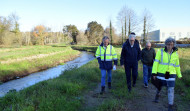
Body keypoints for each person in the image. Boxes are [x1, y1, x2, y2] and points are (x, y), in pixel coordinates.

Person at [152, 37, 182, 111]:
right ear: (165, 44)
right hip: (161, 74)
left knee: (171, 90)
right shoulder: (160, 52)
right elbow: (156, 63)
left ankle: (170, 106)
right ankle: (157, 96)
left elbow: (177, 65)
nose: (169, 46)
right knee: (159, 88)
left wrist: (179, 74)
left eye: (171, 44)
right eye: (168, 44)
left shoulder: (176, 54)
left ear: (173, 45)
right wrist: (154, 73)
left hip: (171, 75)